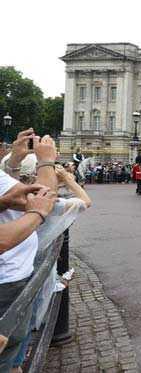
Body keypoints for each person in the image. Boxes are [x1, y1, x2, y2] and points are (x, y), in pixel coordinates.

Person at [0, 132, 59, 370]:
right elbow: (46, 198)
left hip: (13, 277)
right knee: (8, 357)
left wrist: (13, 162)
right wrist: (46, 161)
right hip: (7, 281)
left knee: (13, 357)